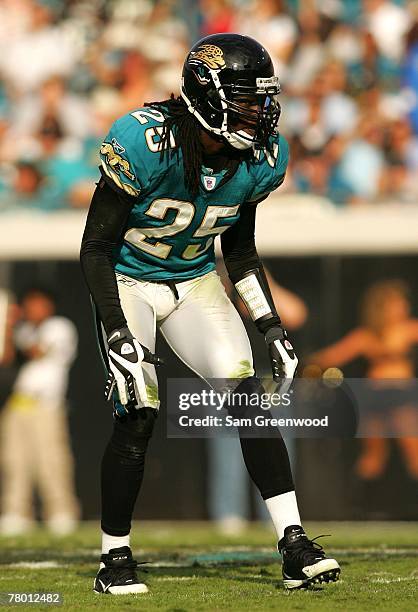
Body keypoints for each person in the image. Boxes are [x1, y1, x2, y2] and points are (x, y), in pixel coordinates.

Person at [80, 33, 340, 594]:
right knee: (138, 411)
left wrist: (269, 324)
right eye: (246, 98)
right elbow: (96, 248)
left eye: (261, 98)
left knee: (248, 397)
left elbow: (239, 252)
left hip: (193, 280)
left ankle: (293, 543)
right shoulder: (145, 140)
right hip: (128, 278)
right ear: (207, 94)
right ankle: (114, 557)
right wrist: (119, 332)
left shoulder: (261, 157)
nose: (259, 110)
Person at [310, 279, 418, 481]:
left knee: (413, 450)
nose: (404, 306)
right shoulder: (366, 335)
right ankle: (359, 505)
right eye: (398, 302)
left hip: (401, 396)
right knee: (373, 455)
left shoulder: (408, 329)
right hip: (374, 397)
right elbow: (332, 356)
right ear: (382, 307)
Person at [0, 287, 79, 535]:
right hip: (17, 404)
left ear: (49, 305)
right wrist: (8, 325)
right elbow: (6, 357)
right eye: (29, 304)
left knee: (51, 461)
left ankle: (60, 513)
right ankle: (15, 512)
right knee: (14, 461)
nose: (33, 309)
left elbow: (37, 351)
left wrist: (12, 326)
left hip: (46, 405)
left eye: (38, 303)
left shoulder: (60, 327)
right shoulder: (22, 329)